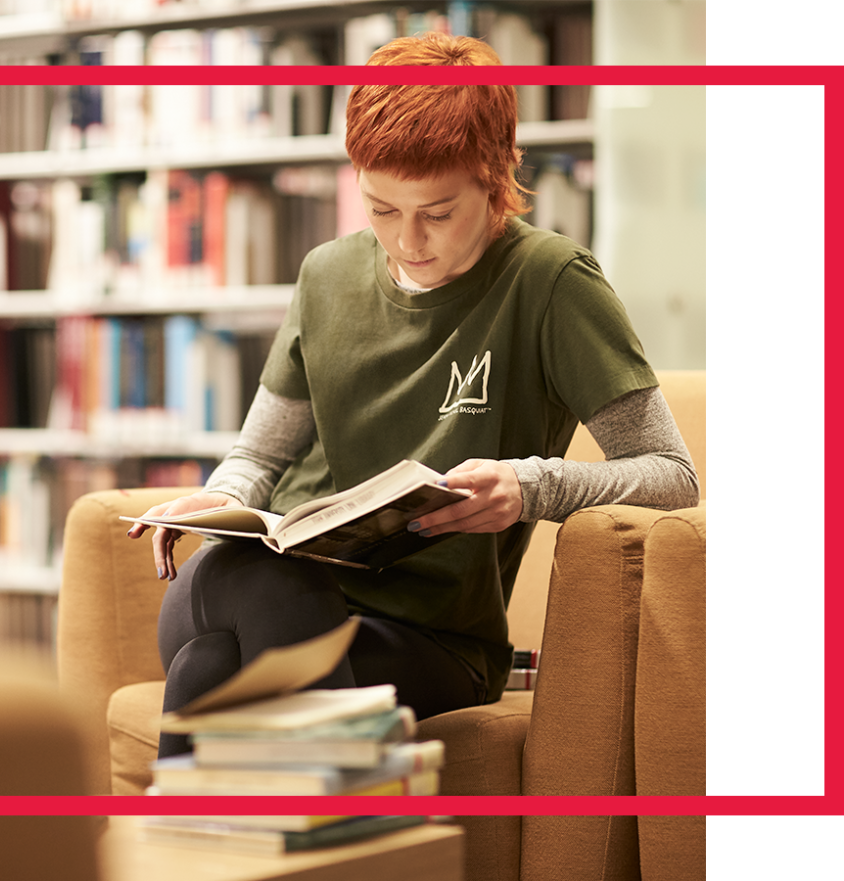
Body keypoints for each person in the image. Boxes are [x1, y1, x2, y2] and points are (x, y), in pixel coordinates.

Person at [127, 32, 700, 759]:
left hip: (429, 636)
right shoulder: (326, 275)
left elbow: (673, 477)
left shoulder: (552, 284)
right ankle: (353, 830)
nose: (407, 241)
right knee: (265, 585)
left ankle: (199, 856)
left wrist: (532, 487)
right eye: (380, 209)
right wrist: (223, 495)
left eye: (437, 211)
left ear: (497, 176)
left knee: (209, 667)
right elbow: (258, 454)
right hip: (254, 587)